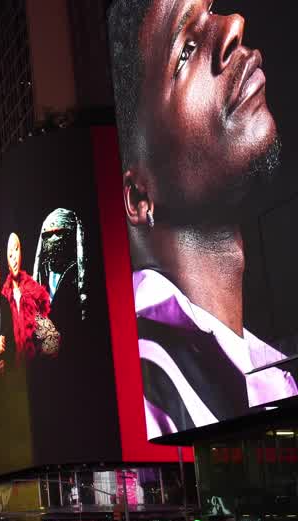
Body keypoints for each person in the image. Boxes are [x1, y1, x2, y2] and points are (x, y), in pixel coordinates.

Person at [109, 0, 298, 435]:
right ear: (139, 196)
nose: (235, 25)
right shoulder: (150, 385)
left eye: (214, 12)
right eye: (186, 51)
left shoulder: (266, 367)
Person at [1, 233, 55, 362]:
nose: (14, 257)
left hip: (34, 365)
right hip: (14, 370)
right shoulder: (4, 296)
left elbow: (48, 334)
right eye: (10, 254)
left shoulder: (34, 291)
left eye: (17, 249)